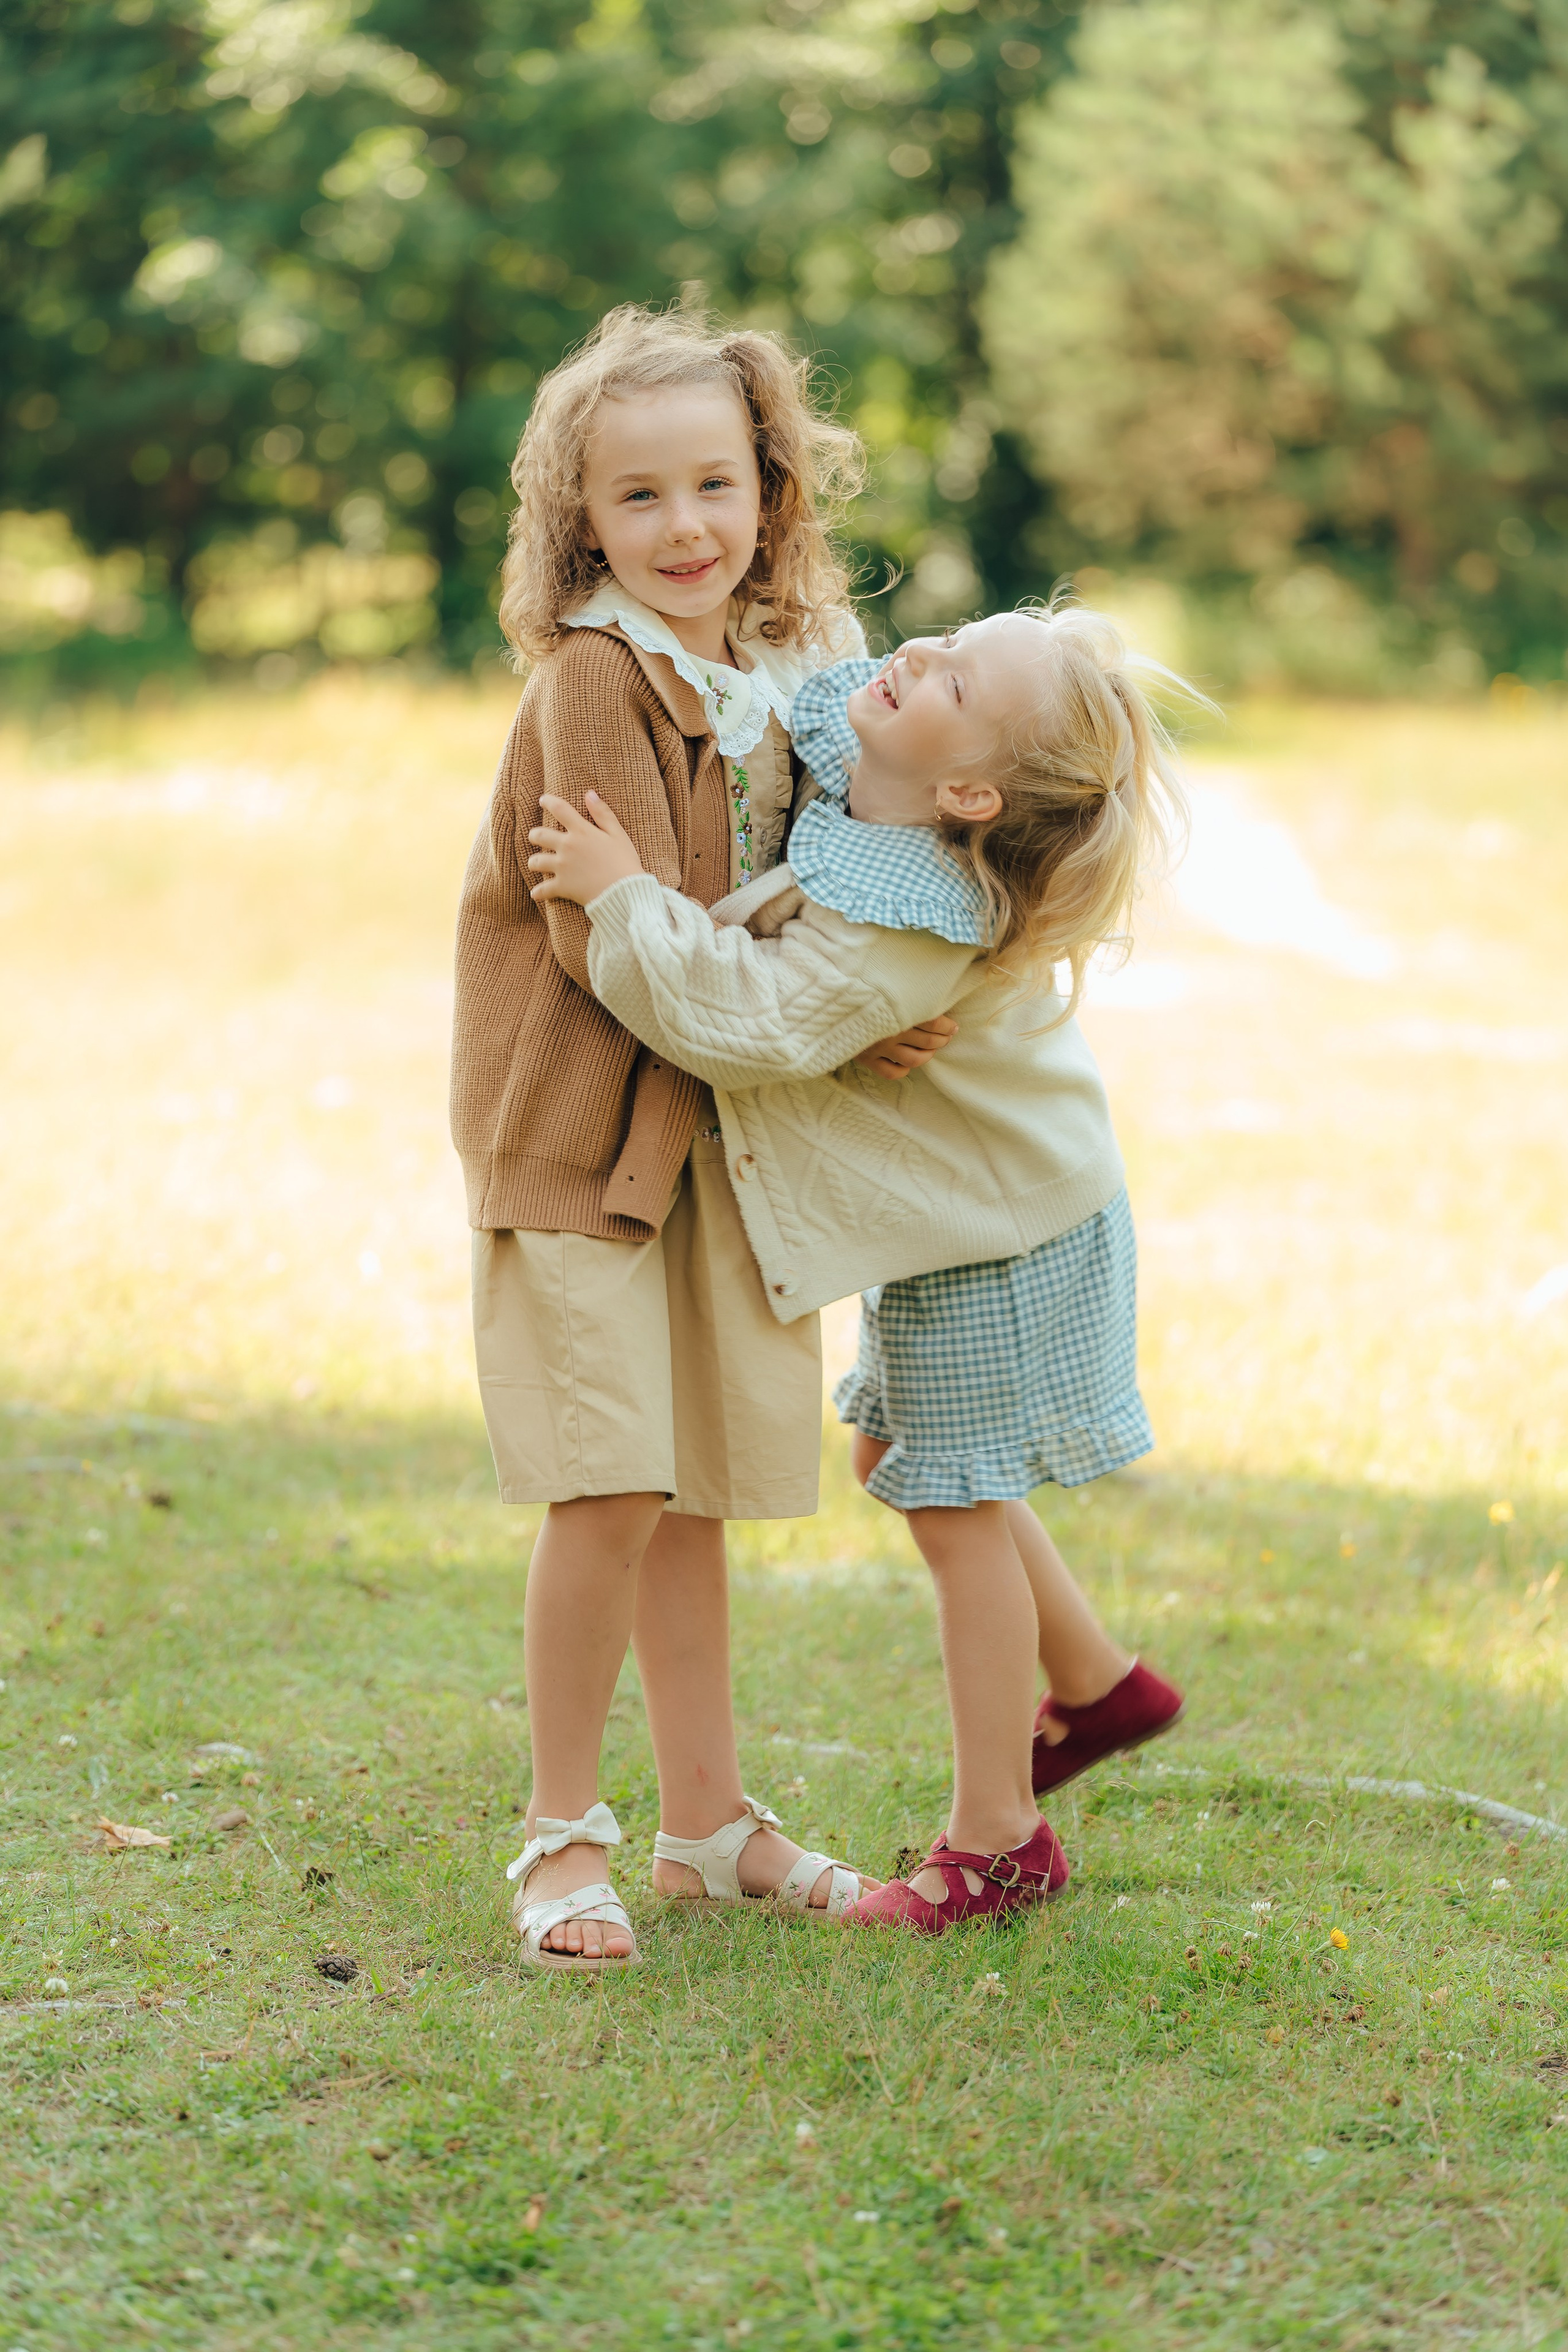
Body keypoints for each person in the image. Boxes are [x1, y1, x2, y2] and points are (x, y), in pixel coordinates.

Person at [526, 601, 1192, 1936]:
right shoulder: (877, 764)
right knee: (902, 1457)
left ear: (969, 794)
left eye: (957, 680)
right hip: (978, 1213)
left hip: (1003, 1231)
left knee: (951, 1500)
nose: (916, 656)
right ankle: (1095, 1681)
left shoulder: (910, 918)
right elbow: (801, 672)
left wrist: (622, 897)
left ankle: (996, 1838)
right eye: (947, 638)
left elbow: (747, 1023)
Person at [452, 304, 949, 1969]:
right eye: (640, 495)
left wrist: (858, 996)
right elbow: (615, 933)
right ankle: (559, 1835)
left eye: (716, 485)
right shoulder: (597, 681)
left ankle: (709, 1824)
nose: (685, 527)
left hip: (720, 1140)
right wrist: (812, 989)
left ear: (772, 491)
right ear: (580, 518)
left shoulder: (792, 679)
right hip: (582, 1139)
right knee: (606, 1483)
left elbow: (850, 867)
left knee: (691, 1498)